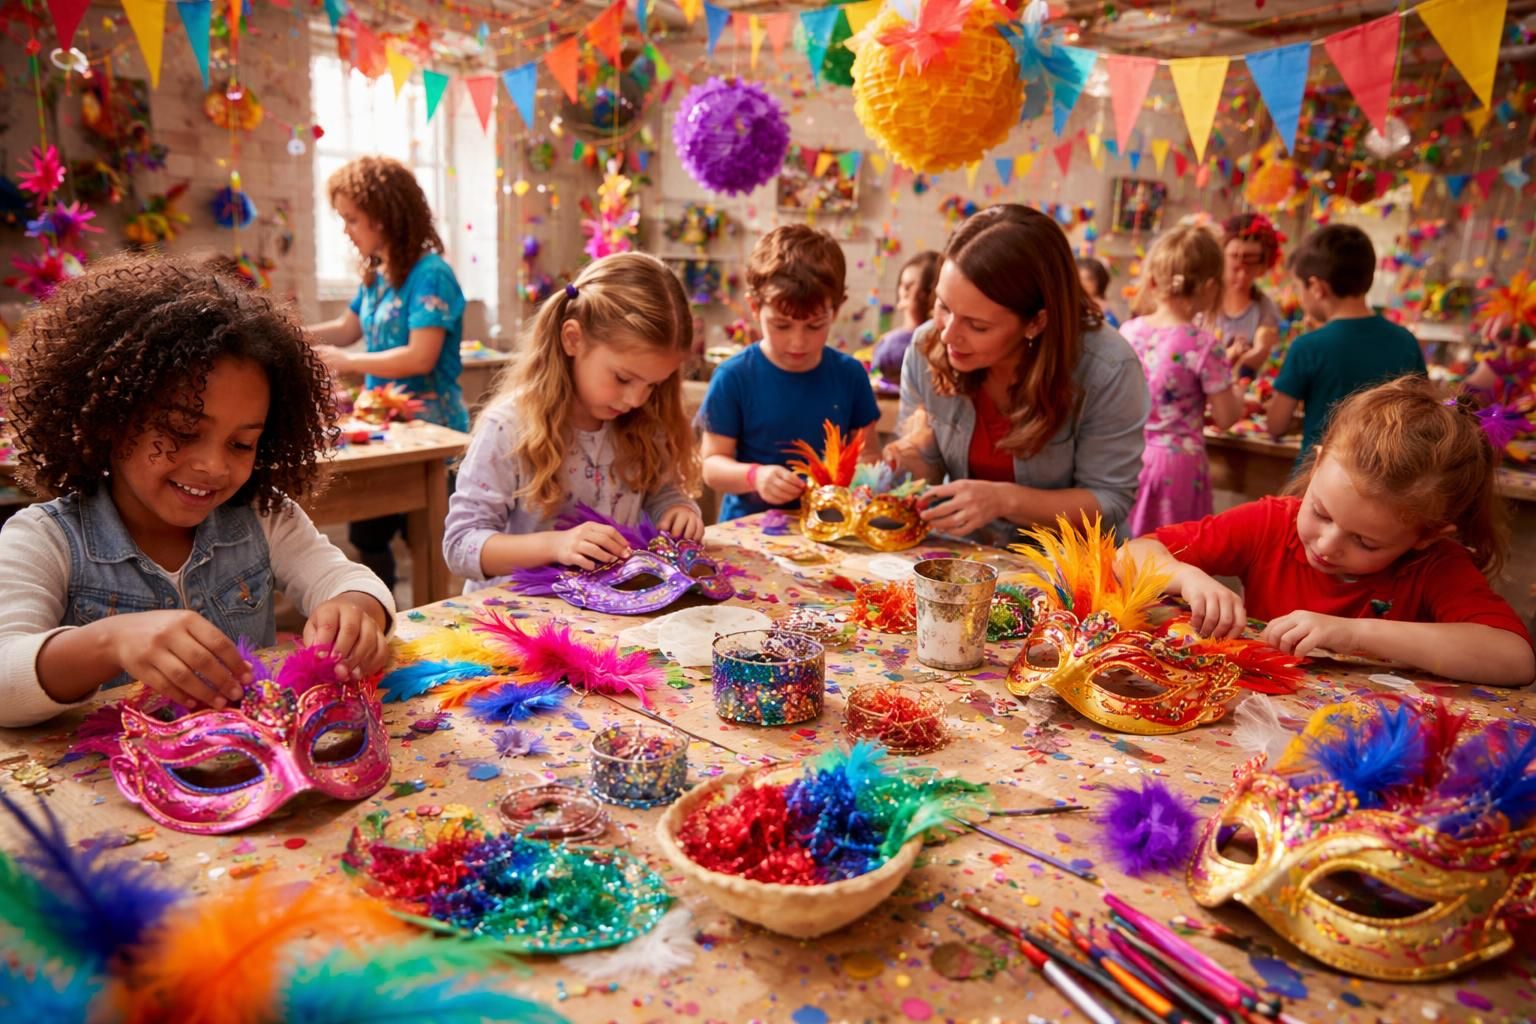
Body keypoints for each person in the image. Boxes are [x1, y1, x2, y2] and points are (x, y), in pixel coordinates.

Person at [0, 254, 395, 728]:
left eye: (241, 443)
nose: (213, 465)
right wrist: (109, 641)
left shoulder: (264, 517)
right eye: (183, 431)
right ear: (111, 417)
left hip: (253, 781)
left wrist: (355, 612)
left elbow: (350, 581)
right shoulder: (44, 539)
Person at [1125, 376, 1534, 687]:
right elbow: (1131, 555)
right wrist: (1187, 576)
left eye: (1366, 542)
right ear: (1317, 465)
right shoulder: (1271, 523)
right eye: (1320, 512)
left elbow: (1514, 659)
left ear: (1426, 536)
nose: (1326, 544)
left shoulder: (1434, 565)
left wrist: (1353, 632)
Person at [885, 204, 1149, 543]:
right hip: (967, 560)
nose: (948, 334)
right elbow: (928, 469)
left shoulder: (1107, 368)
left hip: (1067, 568)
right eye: (943, 307)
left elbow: (1109, 501)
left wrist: (1003, 500)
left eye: (977, 326)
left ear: (1037, 322)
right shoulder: (927, 346)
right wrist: (898, 462)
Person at [444, 253, 703, 588]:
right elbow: (460, 546)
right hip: (520, 617)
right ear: (573, 339)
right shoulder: (509, 427)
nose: (636, 399)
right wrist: (556, 545)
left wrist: (678, 511)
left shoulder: (642, 421)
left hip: (604, 613)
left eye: (653, 385)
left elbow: (660, 493)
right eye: (624, 379)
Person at [305, 155, 470, 593]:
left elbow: (420, 357)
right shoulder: (376, 274)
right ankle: (380, 613)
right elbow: (347, 328)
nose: (346, 230)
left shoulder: (431, 274)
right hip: (385, 426)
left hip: (433, 432)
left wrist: (351, 363)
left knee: (429, 540)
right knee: (368, 534)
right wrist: (292, 334)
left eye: (352, 219)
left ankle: (429, 610)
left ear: (385, 215)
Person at [700, 225, 880, 521]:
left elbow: (869, 456)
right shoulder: (733, 377)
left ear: (836, 310)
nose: (798, 342)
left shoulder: (850, 376)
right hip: (749, 535)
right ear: (755, 308)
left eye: (815, 325)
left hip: (831, 532)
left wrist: (865, 477)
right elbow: (711, 465)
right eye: (782, 325)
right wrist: (755, 476)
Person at [1267, 225, 1426, 466]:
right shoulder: (1405, 341)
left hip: (1317, 483)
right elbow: (1423, 415)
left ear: (1317, 288)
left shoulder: (1308, 346)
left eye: (1299, 288)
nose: (1299, 297)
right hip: (1385, 481)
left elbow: (1275, 424)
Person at [1120, 225, 1243, 536]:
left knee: (1125, 557)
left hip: (1125, 457)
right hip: (1178, 466)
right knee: (1174, 558)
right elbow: (1227, 417)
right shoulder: (1202, 344)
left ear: (1151, 280)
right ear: (1211, 287)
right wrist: (1237, 384)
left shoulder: (1128, 332)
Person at [1215, 213, 1284, 377]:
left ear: (1262, 267)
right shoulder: (1204, 299)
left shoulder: (1265, 309)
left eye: (1249, 268)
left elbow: (1264, 359)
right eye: (1235, 267)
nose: (1241, 276)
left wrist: (1254, 354)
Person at [872, 251, 940, 389]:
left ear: (927, 293)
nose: (902, 290)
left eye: (908, 286)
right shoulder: (941, 342)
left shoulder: (892, 345)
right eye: (903, 285)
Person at [1076, 256, 1119, 328]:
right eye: (1079, 278)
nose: (1082, 283)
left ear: (1100, 280)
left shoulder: (1104, 314)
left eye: (1089, 279)